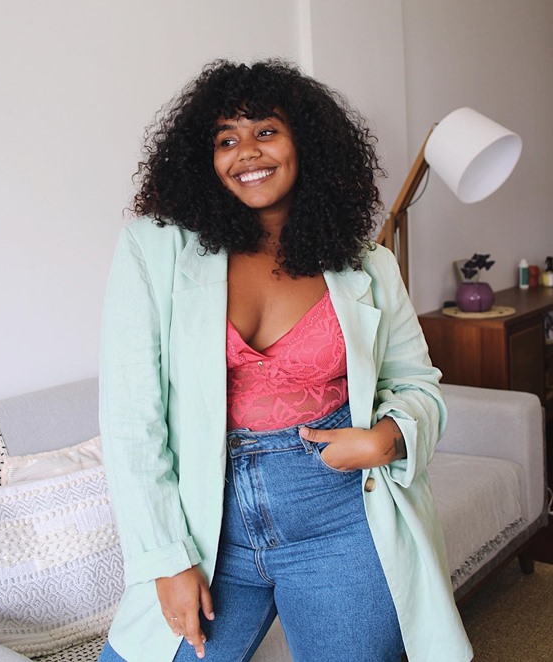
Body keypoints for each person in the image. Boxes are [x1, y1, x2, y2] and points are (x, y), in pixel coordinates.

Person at [98, 59, 473, 662]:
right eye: (226, 139)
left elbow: (418, 385)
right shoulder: (154, 249)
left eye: (265, 131)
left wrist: (387, 438)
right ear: (205, 159)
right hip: (206, 519)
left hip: (341, 514)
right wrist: (167, 559)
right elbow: (130, 419)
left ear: (306, 142)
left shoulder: (366, 265)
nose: (246, 151)